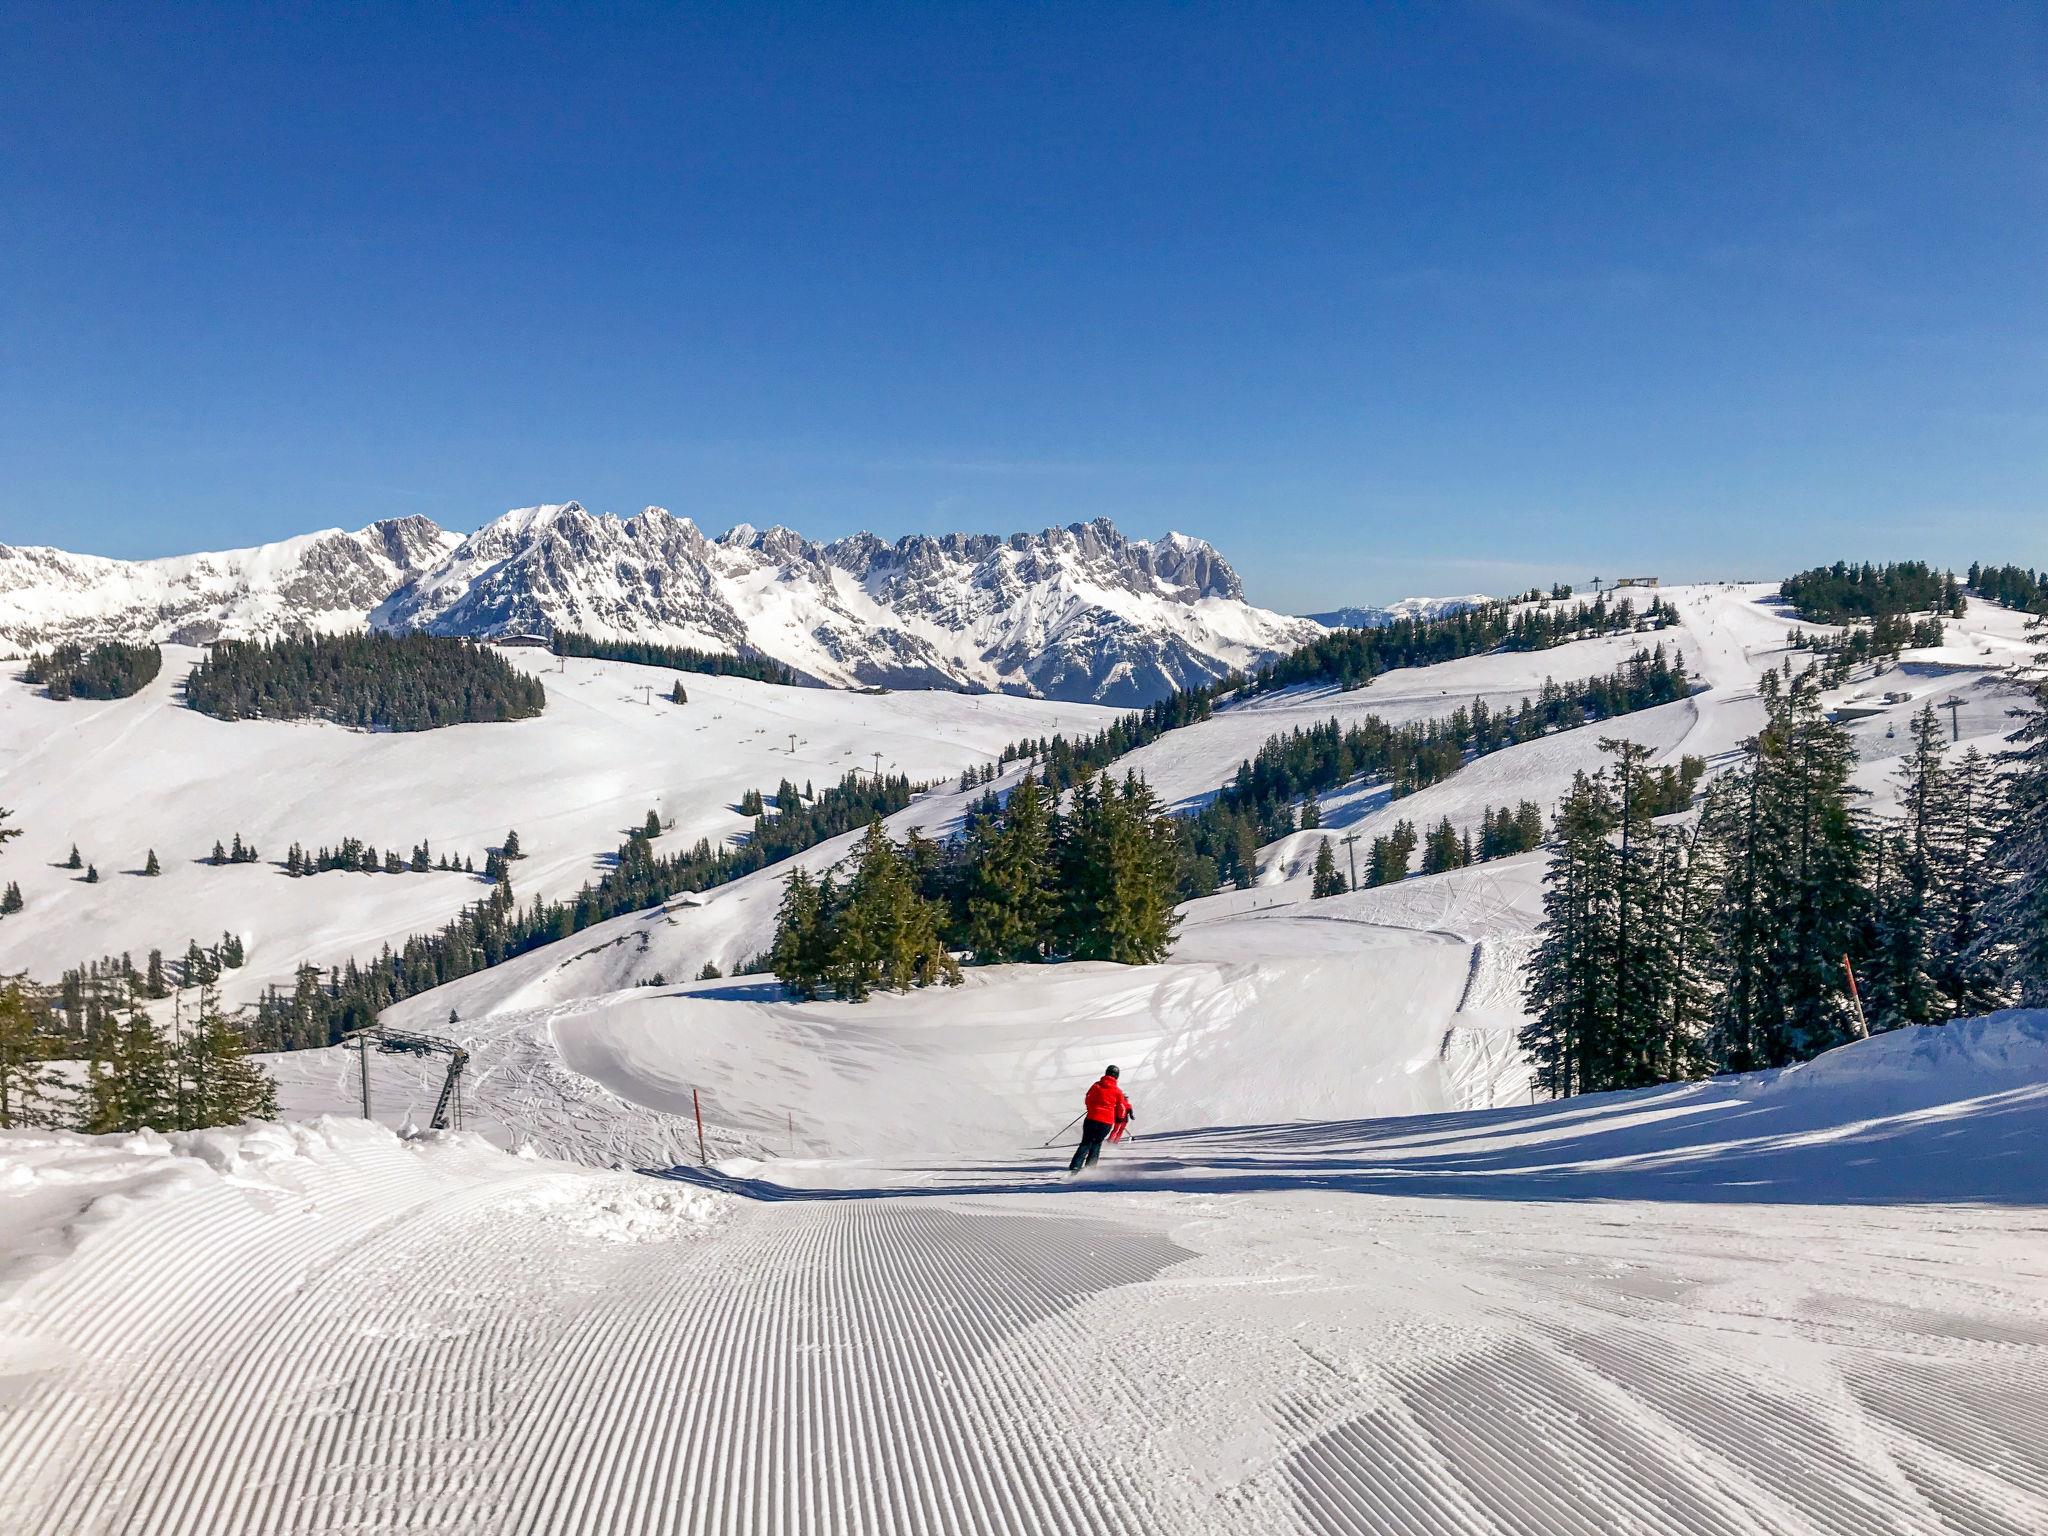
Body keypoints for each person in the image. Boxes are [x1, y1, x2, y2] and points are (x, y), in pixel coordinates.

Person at [1067, 1065, 1133, 1174]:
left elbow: (1088, 1098)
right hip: (1106, 1122)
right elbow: (1121, 1107)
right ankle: (1090, 1168)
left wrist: (1091, 1108)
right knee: (1097, 1143)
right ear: (1117, 1076)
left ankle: (1075, 1167)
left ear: (1106, 1073)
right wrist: (1120, 1118)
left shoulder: (1096, 1085)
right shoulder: (1117, 1091)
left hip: (1092, 1118)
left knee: (1086, 1142)